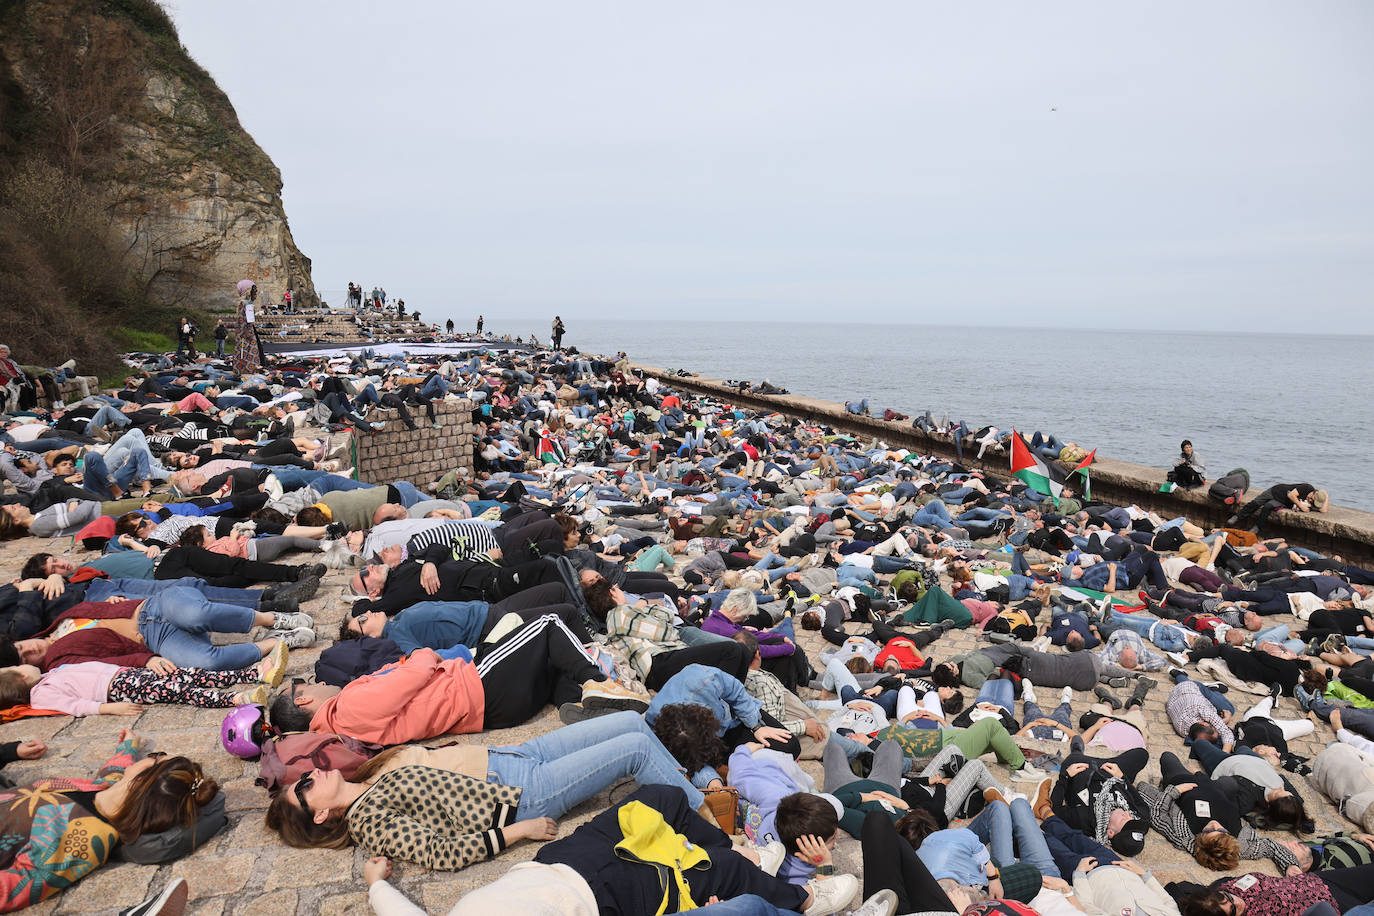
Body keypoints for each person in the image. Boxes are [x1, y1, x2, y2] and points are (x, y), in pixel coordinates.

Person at [264, 713, 714, 864]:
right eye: (303, 788)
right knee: (634, 746)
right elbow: (441, 852)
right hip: (523, 794)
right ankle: (713, 816)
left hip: (515, 756)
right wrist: (521, 832)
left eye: (303, 776)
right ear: (319, 816)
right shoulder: (369, 823)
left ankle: (692, 780)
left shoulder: (367, 776)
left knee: (633, 721)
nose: (310, 776)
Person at [268, 614, 644, 744]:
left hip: (486, 710)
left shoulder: (339, 723)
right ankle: (598, 683)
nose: (314, 683)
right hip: (475, 687)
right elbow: (415, 674)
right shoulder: (348, 705)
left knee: (550, 664)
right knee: (546, 627)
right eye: (305, 686)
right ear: (304, 701)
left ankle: (574, 704)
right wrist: (420, 654)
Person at [0, 731, 220, 910]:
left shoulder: (87, 838)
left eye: (155, 755)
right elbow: (114, 772)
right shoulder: (104, 789)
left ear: (141, 778)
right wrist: (129, 745)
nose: (149, 756)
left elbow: (21, 885)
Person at [233, 279, 263, 374]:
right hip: (245, 330)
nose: (255, 294)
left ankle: (245, 368)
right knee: (247, 349)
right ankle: (246, 368)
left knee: (247, 349)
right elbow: (244, 319)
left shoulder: (247, 303)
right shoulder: (245, 304)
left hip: (246, 329)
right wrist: (246, 331)